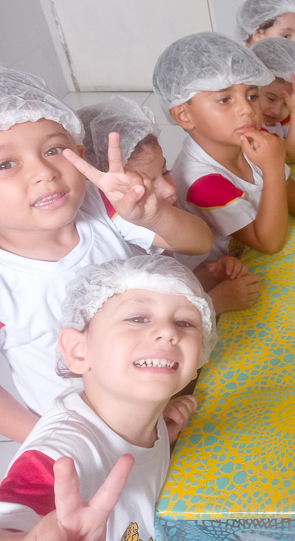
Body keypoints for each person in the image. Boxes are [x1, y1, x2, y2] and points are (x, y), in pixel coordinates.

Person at [0, 68, 213, 443]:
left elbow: (199, 242)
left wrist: (153, 216)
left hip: (155, 399)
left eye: (53, 150)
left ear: (80, 154)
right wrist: (48, 439)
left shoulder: (102, 209)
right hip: (77, 438)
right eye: (6, 164)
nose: (44, 173)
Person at [0, 255, 216, 541]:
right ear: (78, 351)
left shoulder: (142, 419)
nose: (168, 331)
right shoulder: (59, 455)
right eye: (138, 318)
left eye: (185, 322)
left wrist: (162, 432)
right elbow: (12, 517)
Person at [154, 32, 295, 263]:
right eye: (225, 100)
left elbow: (289, 188)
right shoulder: (202, 183)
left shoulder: (245, 141)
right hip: (219, 269)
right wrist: (273, 169)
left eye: (252, 96)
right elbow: (268, 242)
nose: (247, 109)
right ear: (184, 115)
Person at [78, 95, 261, 314]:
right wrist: (216, 302)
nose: (169, 189)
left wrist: (209, 273)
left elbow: (183, 258)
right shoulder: (120, 215)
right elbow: (153, 317)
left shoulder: (156, 217)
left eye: (165, 171)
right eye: (143, 187)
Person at [250, 37, 295, 164]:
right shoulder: (251, 126)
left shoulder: (276, 120)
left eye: (287, 104)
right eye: (271, 98)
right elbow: (291, 156)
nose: (276, 111)